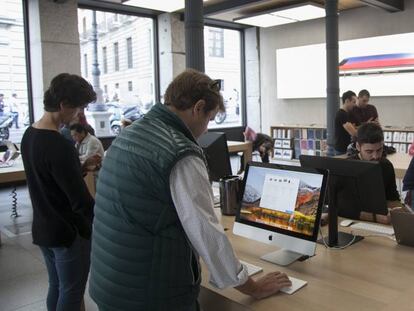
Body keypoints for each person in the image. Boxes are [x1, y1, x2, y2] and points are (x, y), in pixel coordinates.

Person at [89, 69, 292, 311]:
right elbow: (207, 233)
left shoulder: (130, 133)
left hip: (111, 278)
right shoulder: (180, 153)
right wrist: (253, 287)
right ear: (198, 108)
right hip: (151, 293)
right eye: (209, 119)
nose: (206, 129)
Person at [20, 73, 102, 311]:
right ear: (64, 104)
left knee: (56, 286)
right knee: (72, 291)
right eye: (79, 107)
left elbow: (48, 179)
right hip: (68, 232)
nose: (80, 114)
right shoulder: (60, 145)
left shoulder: (30, 135)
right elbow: (81, 202)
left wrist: (80, 168)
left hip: (44, 226)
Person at [345, 122, 402, 224]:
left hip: (381, 221)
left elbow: (392, 198)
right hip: (351, 221)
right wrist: (376, 218)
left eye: (379, 150)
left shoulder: (386, 165)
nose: (375, 156)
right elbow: (341, 206)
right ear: (358, 146)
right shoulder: (348, 167)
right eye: (369, 152)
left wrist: (401, 211)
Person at [334, 90, 357, 155]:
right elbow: (354, 133)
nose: (355, 105)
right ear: (347, 101)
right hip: (342, 150)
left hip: (344, 148)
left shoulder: (346, 114)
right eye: (354, 102)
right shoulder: (342, 114)